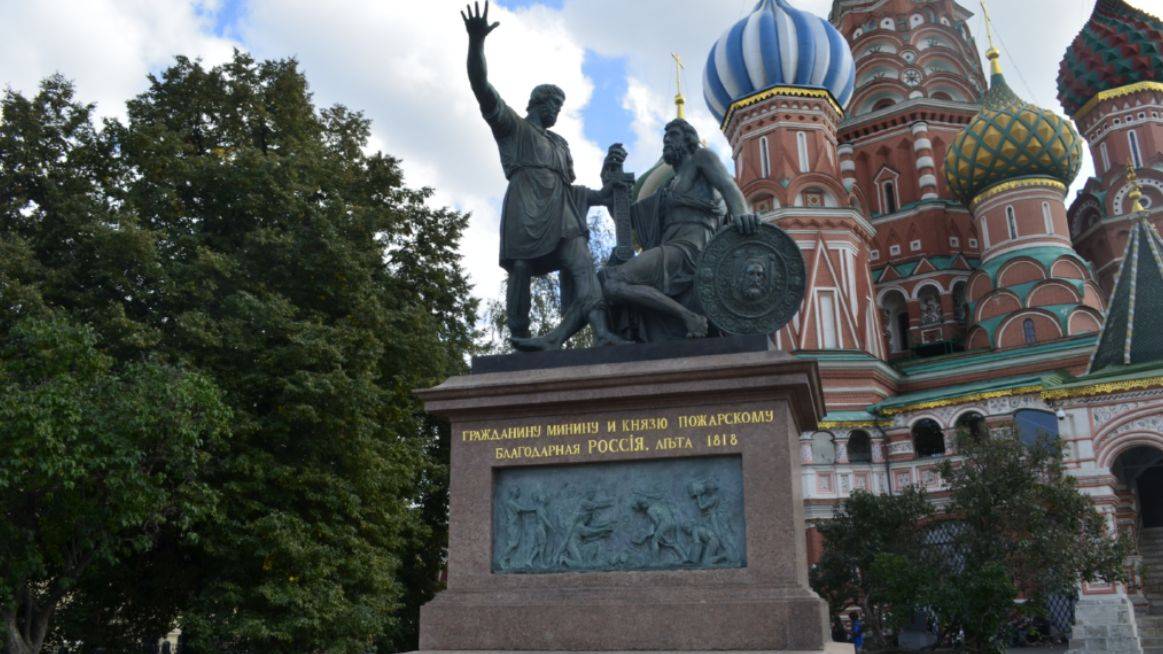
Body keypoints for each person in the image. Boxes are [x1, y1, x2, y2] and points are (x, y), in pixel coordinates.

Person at [462, 1, 625, 350]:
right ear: (538, 103)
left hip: (561, 213)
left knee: (582, 261)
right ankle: (518, 338)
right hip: (525, 206)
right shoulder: (513, 128)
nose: (557, 111)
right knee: (520, 269)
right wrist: (476, 43)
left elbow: (572, 190)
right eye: (554, 105)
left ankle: (602, 332)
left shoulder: (561, 144)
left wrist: (604, 191)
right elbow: (481, 87)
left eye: (560, 107)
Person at [601, 118, 758, 341]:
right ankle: (686, 316)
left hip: (691, 250)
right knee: (607, 281)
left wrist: (742, 214)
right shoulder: (667, 187)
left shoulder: (702, 158)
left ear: (689, 140)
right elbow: (627, 221)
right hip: (671, 250)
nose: (666, 141)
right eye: (664, 138)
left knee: (614, 280)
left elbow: (728, 186)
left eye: (673, 135)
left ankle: (689, 317)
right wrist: (610, 183)